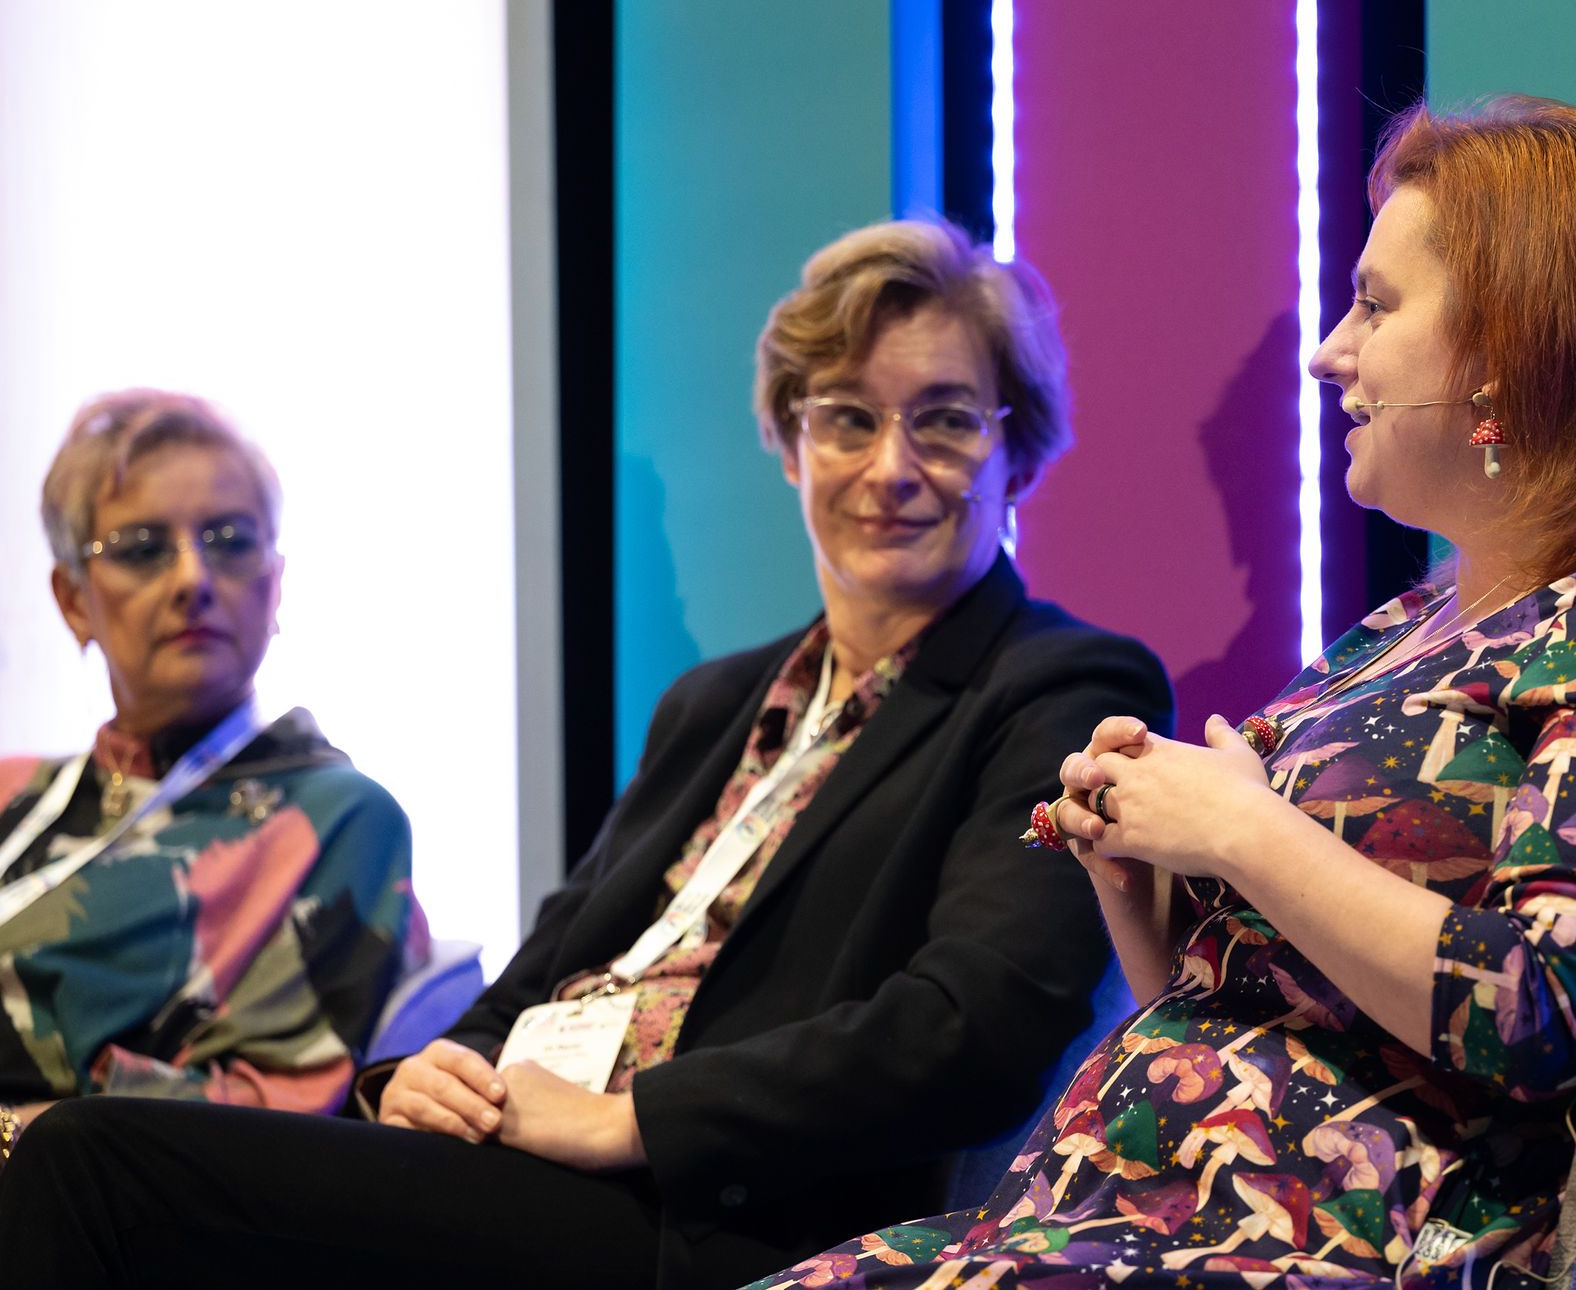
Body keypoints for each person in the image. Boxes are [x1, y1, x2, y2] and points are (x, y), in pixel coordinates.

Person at [742, 98, 1576, 1289]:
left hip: (1346, 1249)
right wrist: (1143, 875)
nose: (1331, 348)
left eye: (1376, 306)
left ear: (1507, 348)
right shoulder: (1409, 623)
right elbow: (1232, 997)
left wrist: (1243, 828)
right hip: (1131, 1223)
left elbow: (1538, 1011)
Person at [0, 219, 1174, 1289]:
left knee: (89, 1162)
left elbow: (975, 1029)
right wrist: (416, 1075)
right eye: (846, 418)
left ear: (1017, 457)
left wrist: (638, 1120)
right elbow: (530, 984)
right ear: (787, 446)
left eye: (946, 419)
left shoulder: (1059, 683)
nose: (890, 466)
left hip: (706, 1214)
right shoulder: (713, 703)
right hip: (523, 1156)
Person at [0, 392, 420, 1147]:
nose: (193, 576)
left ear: (276, 584)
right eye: (140, 547)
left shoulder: (336, 818)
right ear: (73, 602)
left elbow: (266, 1111)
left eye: (230, 539)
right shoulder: (14, 792)